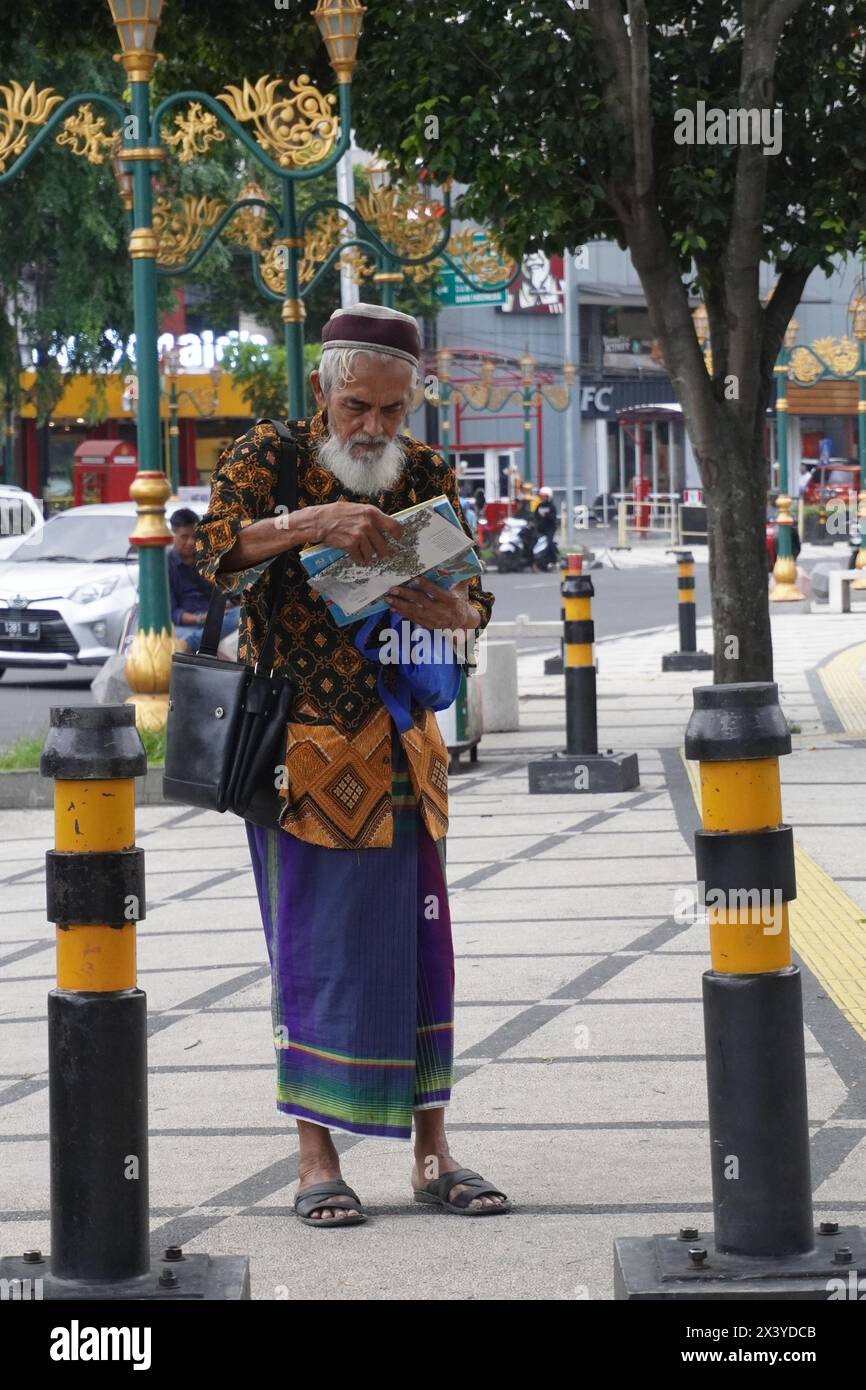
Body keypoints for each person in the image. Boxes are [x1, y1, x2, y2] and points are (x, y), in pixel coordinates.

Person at [195, 303, 509, 1225]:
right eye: (357, 408)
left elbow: (475, 600)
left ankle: (433, 1152)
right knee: (315, 952)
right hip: (302, 757)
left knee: (422, 952)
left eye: (392, 411)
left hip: (407, 751)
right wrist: (313, 522)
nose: (373, 428)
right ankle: (314, 1159)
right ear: (325, 390)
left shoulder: (427, 473)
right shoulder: (267, 457)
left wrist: (448, 610)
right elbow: (216, 554)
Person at [168, 507, 240, 653]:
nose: (190, 542)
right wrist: (201, 618)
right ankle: (191, 642)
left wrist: (224, 606)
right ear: (173, 535)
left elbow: (222, 594)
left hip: (214, 620)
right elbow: (173, 613)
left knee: (240, 614)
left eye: (195, 537)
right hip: (184, 625)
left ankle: (190, 643)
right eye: (184, 536)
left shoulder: (206, 560)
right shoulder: (164, 565)